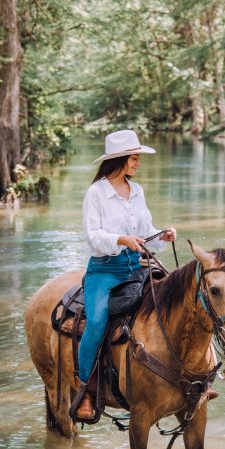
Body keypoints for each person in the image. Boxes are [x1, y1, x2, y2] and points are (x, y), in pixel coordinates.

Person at [75, 129, 176, 420]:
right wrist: (120, 239)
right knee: (95, 321)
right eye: (134, 158)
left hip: (138, 265)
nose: (138, 163)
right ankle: (87, 389)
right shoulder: (96, 193)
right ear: (119, 159)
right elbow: (92, 236)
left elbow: (145, 233)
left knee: (179, 301)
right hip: (105, 269)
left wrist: (163, 236)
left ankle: (189, 380)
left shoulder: (137, 191)